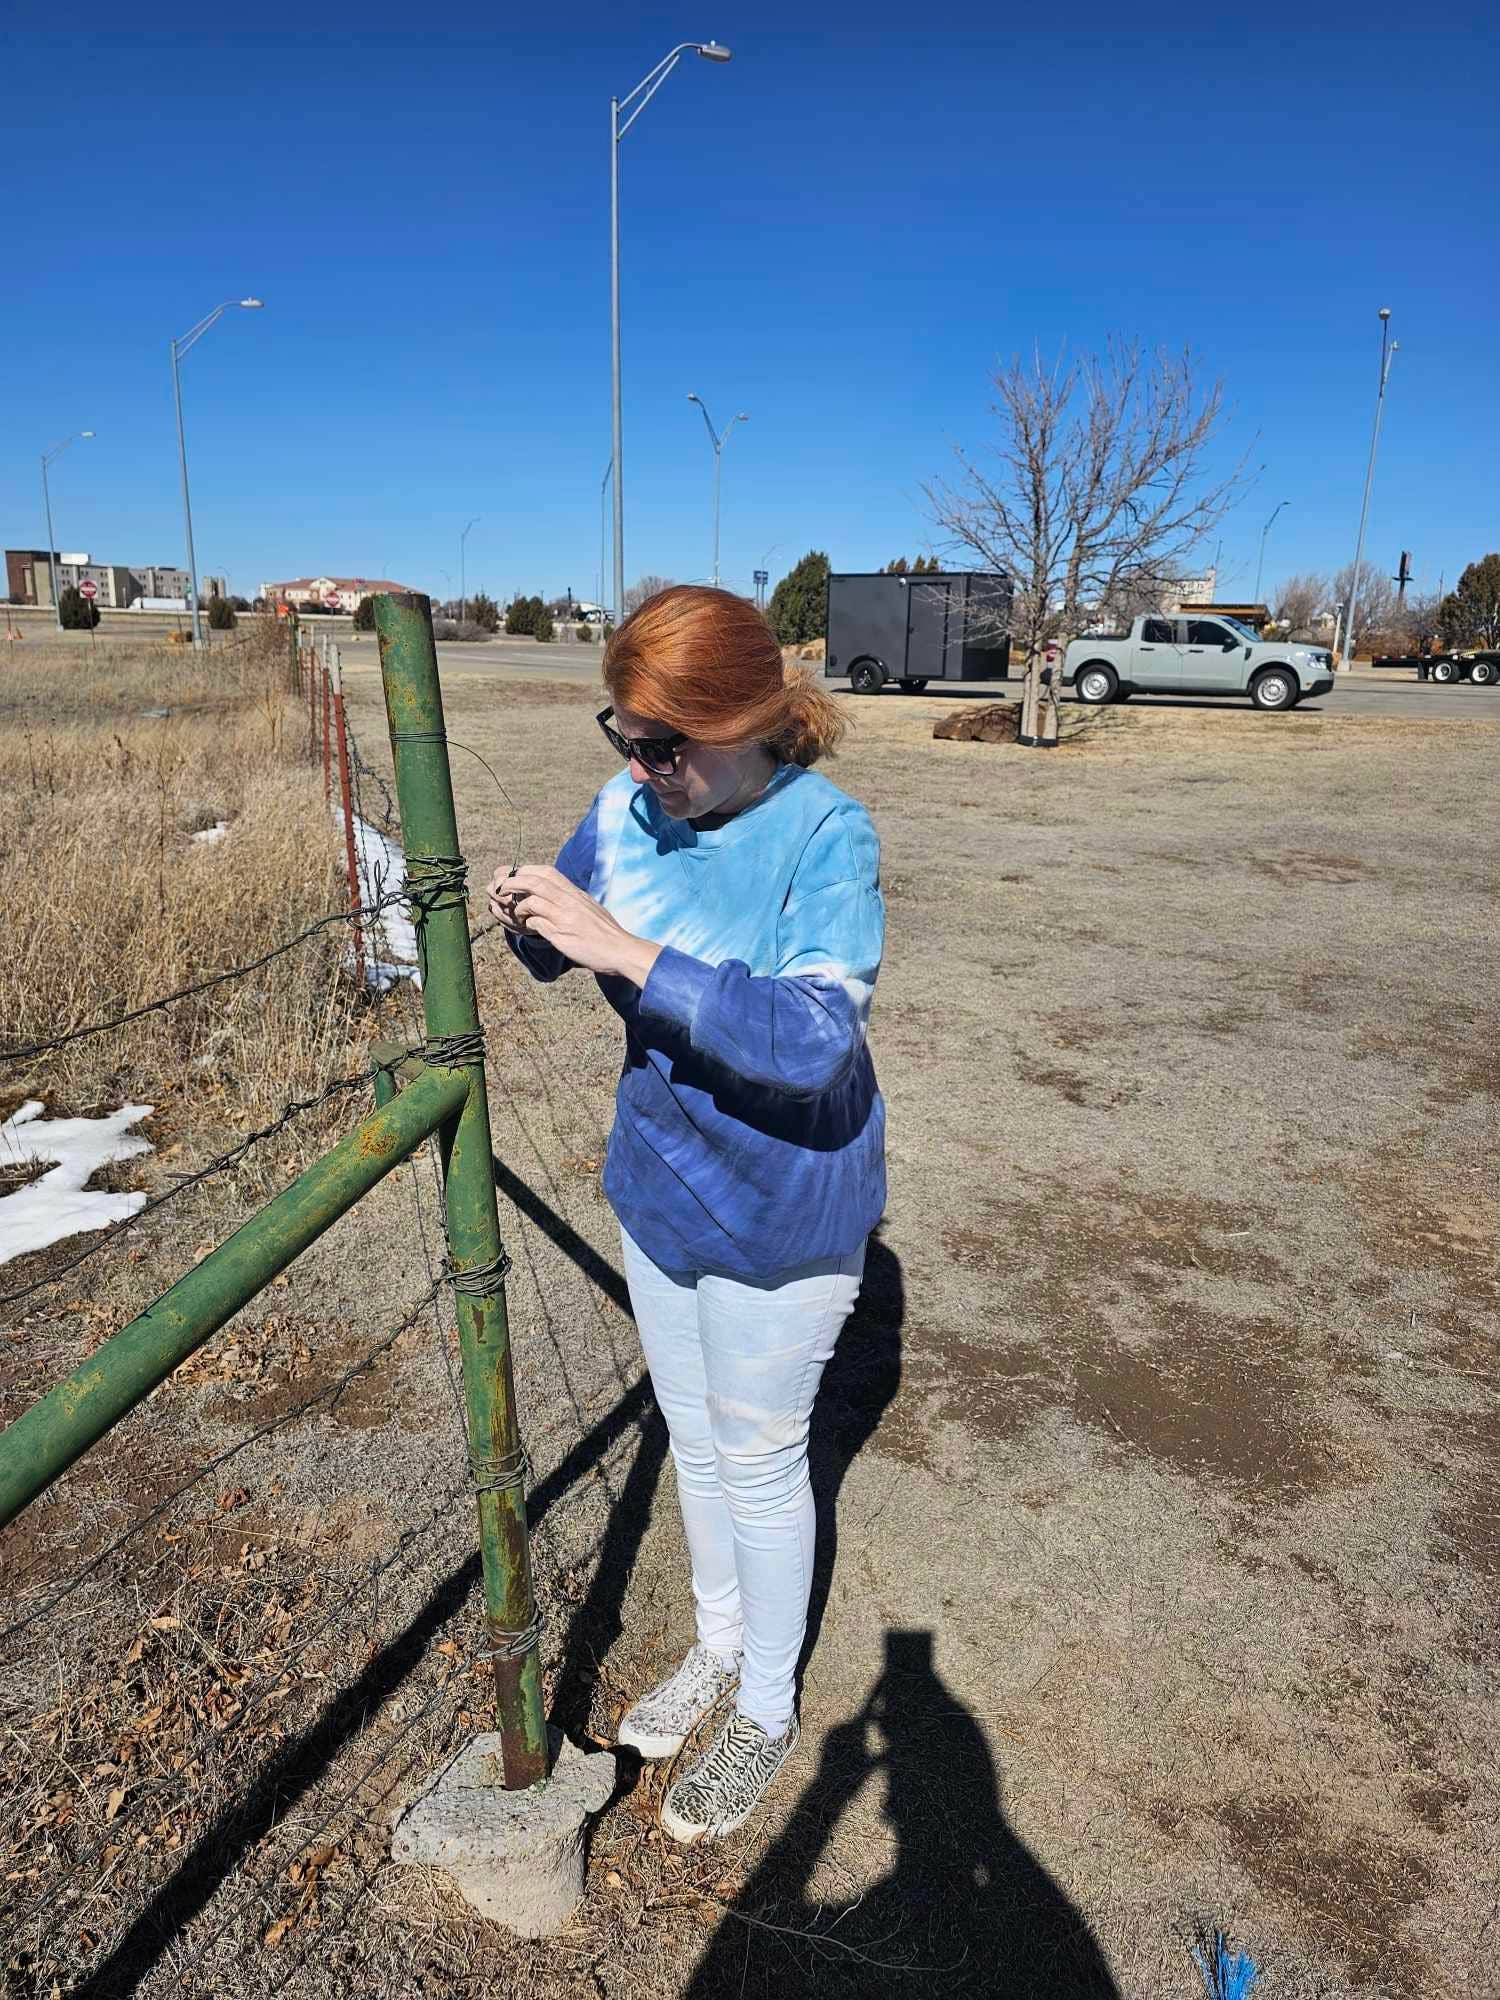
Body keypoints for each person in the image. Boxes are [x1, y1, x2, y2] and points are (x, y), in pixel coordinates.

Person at [488, 584, 886, 1844]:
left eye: (672, 743)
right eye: (629, 736)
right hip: (661, 1186)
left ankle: (765, 1707)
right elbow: (566, 942)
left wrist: (623, 948)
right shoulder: (628, 804)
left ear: (754, 715)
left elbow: (815, 1041)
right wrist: (535, 918)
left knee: (763, 1456)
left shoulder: (827, 834)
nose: (647, 768)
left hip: (787, 1204)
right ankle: (720, 1645)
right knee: (696, 1437)